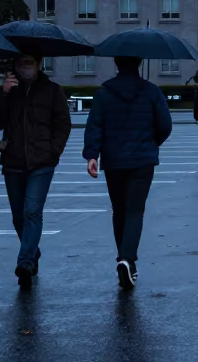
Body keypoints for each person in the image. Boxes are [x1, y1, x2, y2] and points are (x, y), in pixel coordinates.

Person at [81, 56, 172, 289]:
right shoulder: (152, 91)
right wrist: (152, 143)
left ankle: (122, 256)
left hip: (113, 160)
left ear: (116, 63)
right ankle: (127, 259)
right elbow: (165, 125)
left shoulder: (104, 93)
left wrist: (92, 155)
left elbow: (95, 125)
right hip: (143, 159)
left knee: (119, 210)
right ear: (139, 63)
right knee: (135, 210)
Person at [0, 48, 72, 289]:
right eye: (22, 62)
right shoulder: (8, 91)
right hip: (12, 160)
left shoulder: (52, 90)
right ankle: (32, 251)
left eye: (30, 62)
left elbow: (63, 124)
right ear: (15, 65)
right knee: (18, 216)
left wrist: (53, 151)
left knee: (32, 211)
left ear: (39, 63)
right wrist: (2, 94)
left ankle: (25, 261)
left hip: (42, 162)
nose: (26, 66)